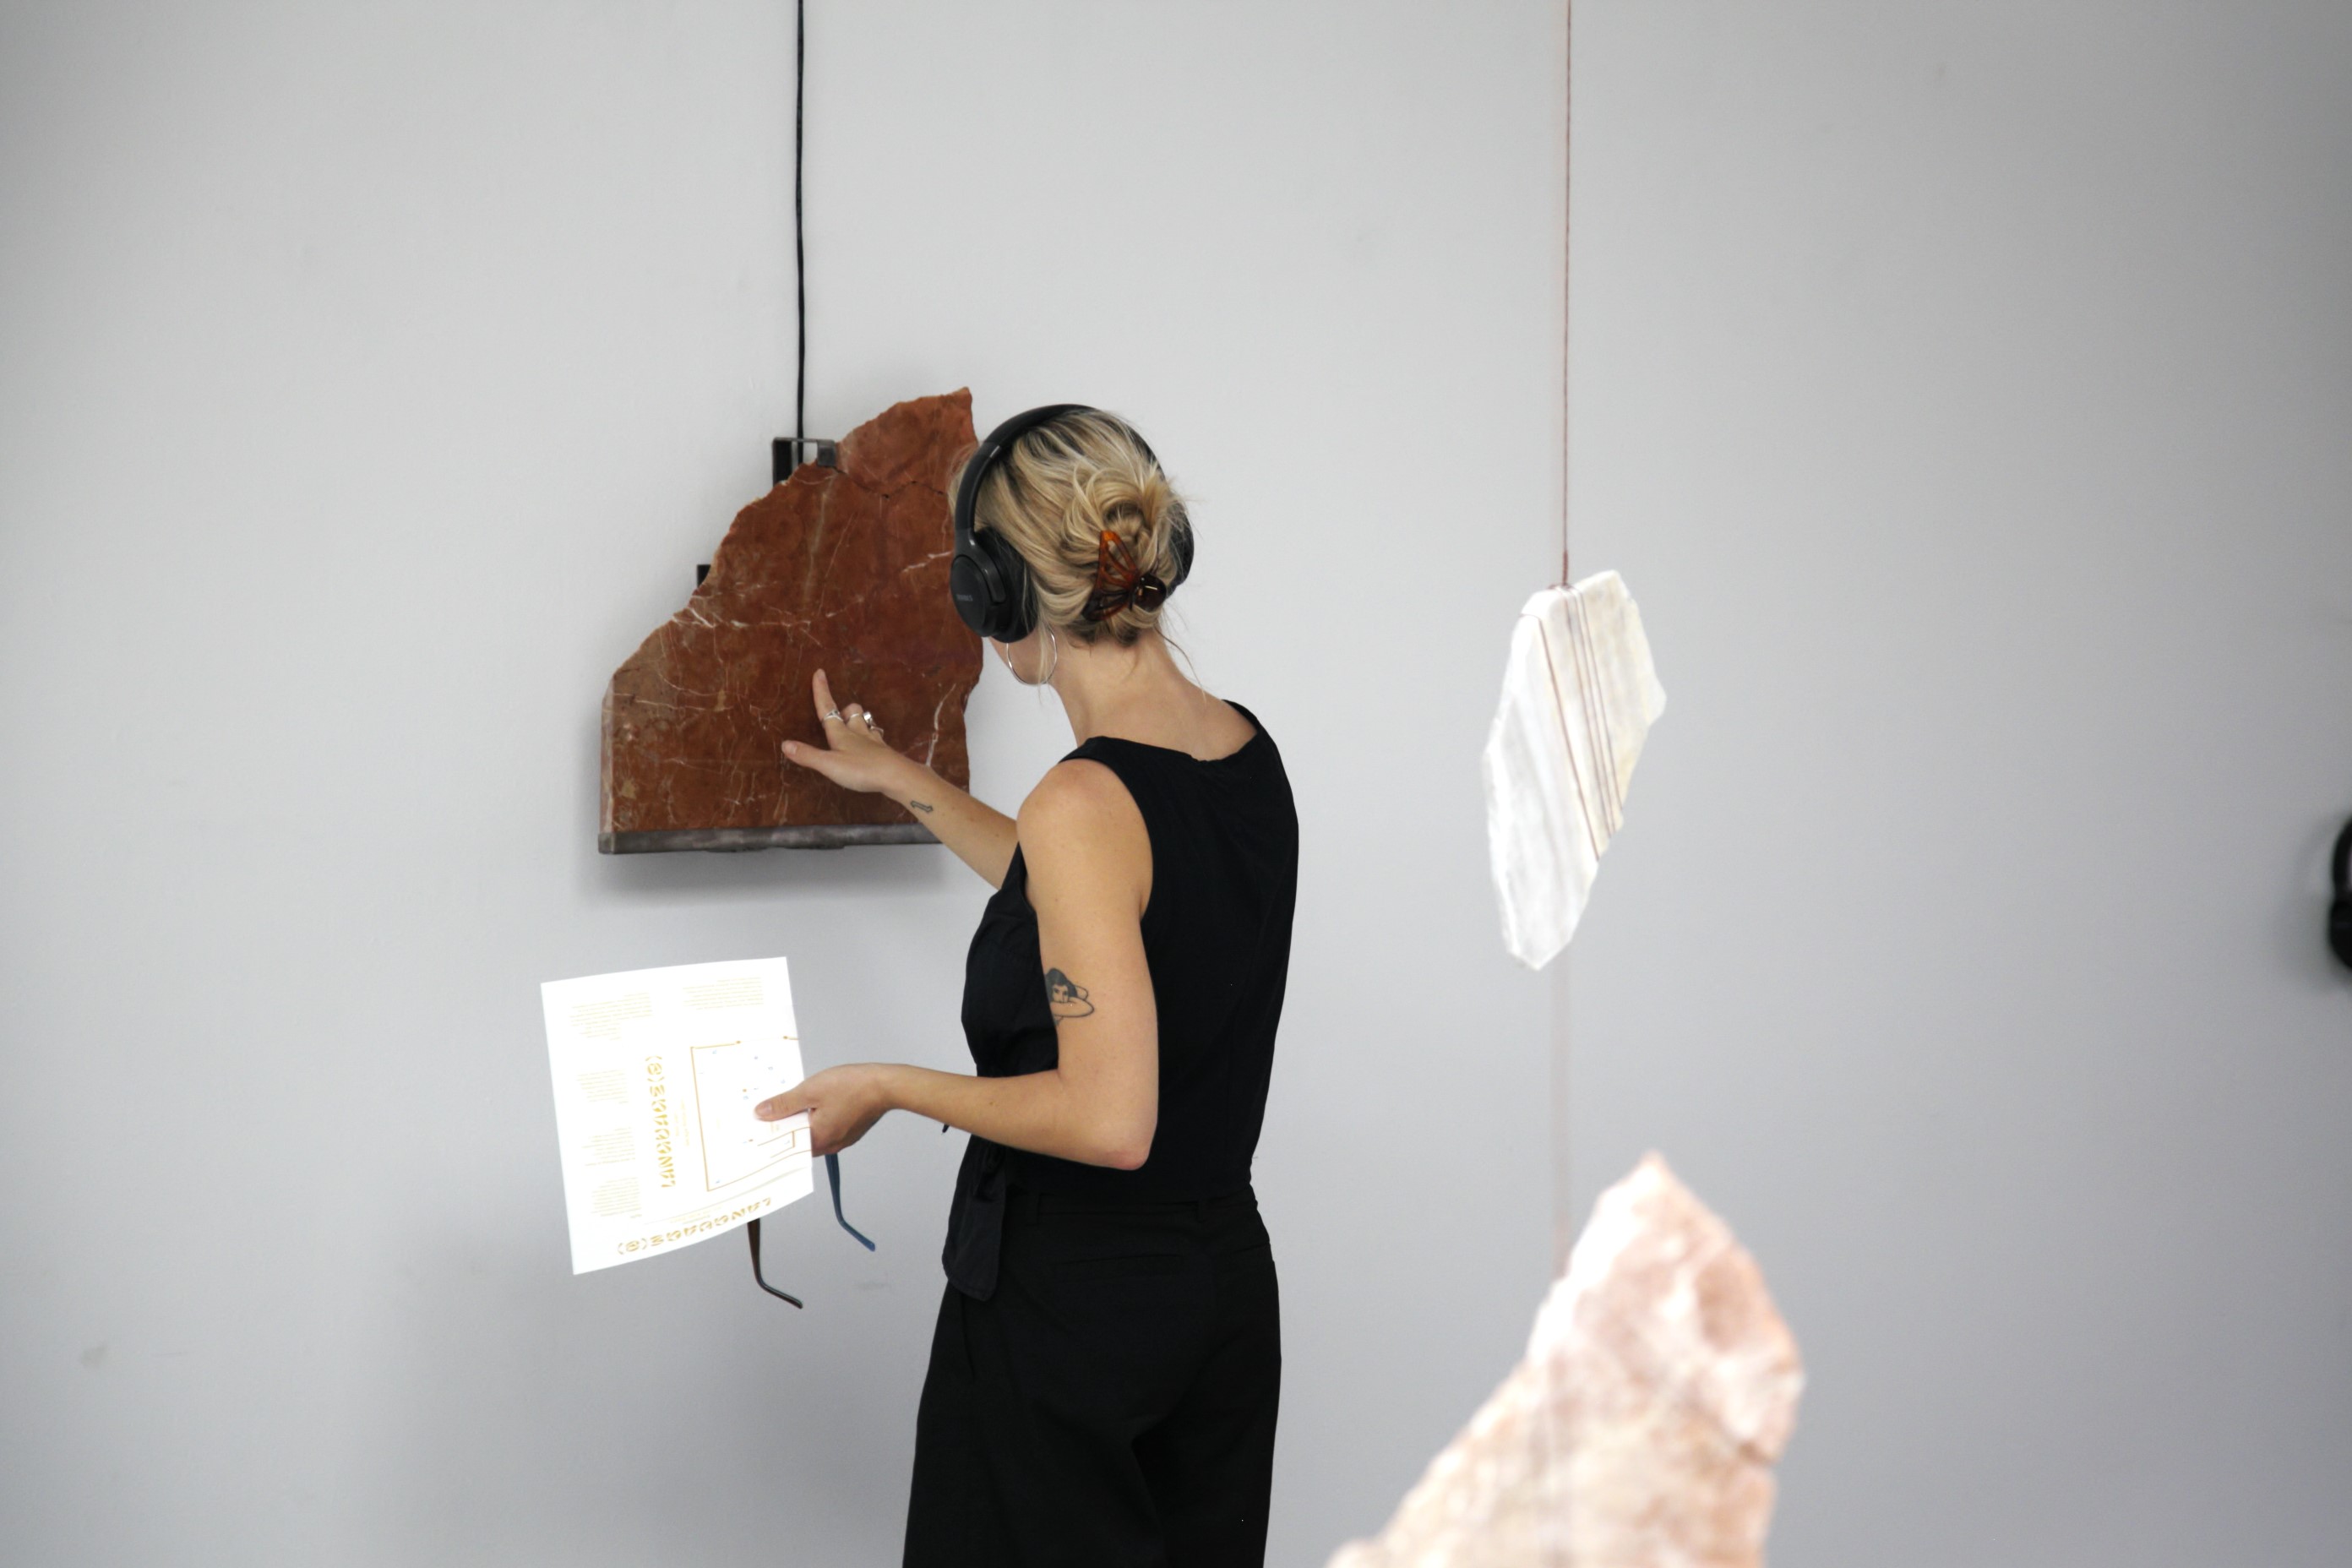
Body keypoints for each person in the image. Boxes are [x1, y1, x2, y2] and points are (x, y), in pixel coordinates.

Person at [752, 407, 1300, 1567]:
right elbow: (1096, 901)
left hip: (1071, 1321)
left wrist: (888, 1086)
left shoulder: (1083, 803)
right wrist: (904, 779)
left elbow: (1110, 1121)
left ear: (995, 589)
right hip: (1216, 1301)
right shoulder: (1240, 748)